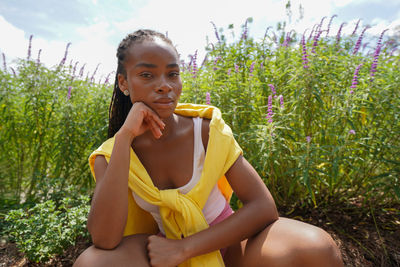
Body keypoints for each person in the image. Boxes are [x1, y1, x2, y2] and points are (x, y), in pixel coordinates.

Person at [74, 29, 343, 267]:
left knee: (318, 247)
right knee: (92, 263)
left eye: (172, 74)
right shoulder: (109, 154)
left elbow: (263, 206)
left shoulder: (204, 129)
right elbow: (105, 239)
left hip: (225, 240)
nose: (165, 86)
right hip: (162, 248)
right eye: (147, 75)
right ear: (123, 83)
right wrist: (125, 138)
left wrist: (185, 248)